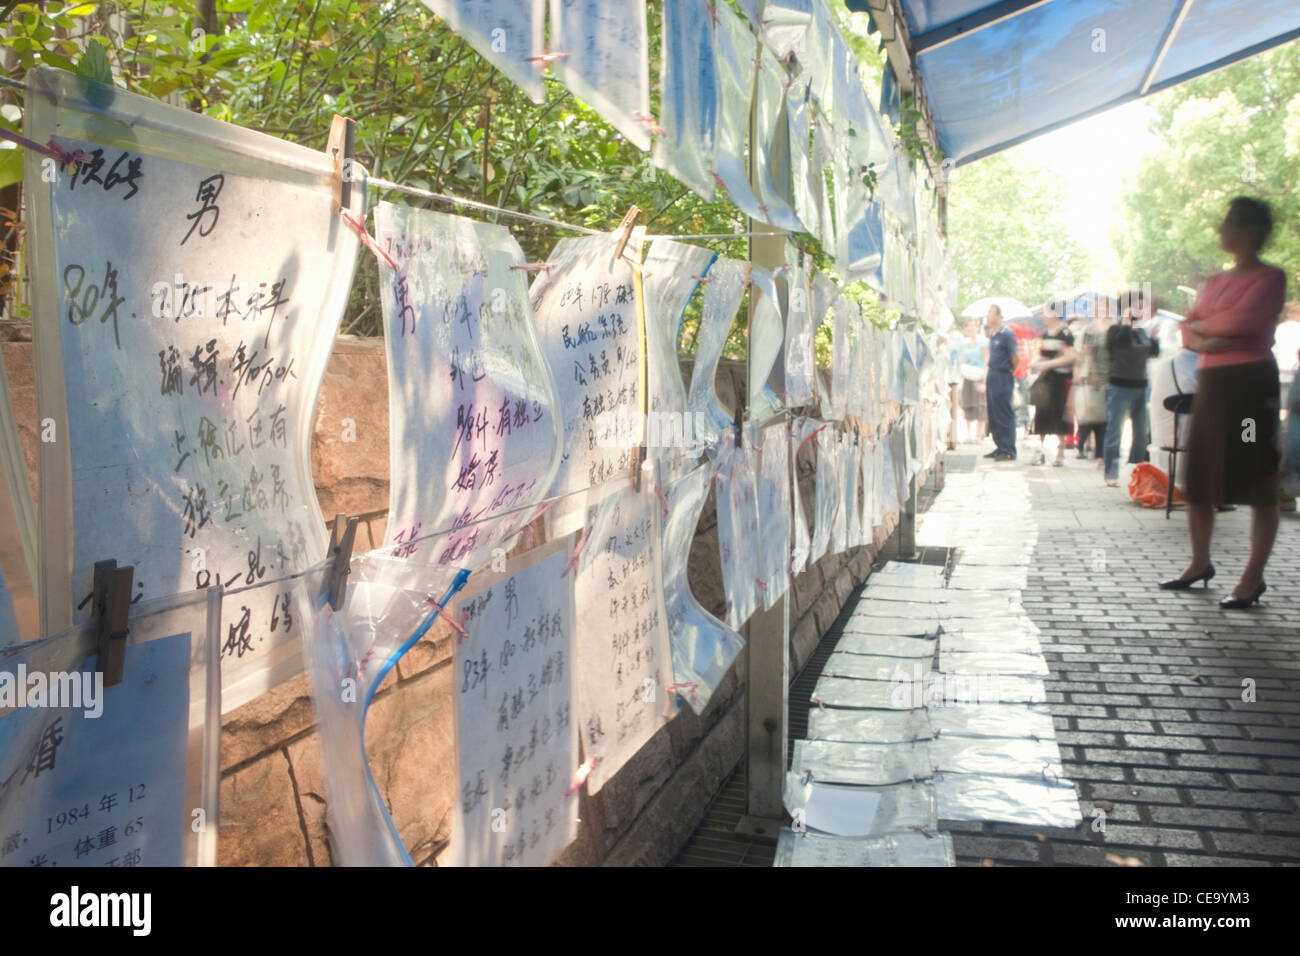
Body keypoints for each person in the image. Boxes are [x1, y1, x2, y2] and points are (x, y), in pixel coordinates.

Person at [1162, 197, 1286, 609]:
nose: (1221, 231)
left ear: (1250, 231)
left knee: (1253, 470)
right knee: (1199, 472)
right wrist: (1215, 333)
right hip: (1213, 385)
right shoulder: (1216, 281)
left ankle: (1252, 578)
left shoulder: (1271, 278)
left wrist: (1211, 330)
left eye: (1229, 224)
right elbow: (1189, 328)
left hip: (1250, 389)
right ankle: (1199, 562)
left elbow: (1242, 323)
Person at [1103, 289, 1159, 487]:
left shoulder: (1142, 331)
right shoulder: (1115, 330)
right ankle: (1111, 472)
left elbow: (1153, 353)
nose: (1142, 310)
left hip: (1141, 387)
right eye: (1139, 305)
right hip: (1119, 386)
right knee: (1114, 431)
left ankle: (1135, 471)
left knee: (1141, 434)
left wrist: (1154, 338)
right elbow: (1122, 343)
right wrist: (1126, 321)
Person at [1029, 302, 1075, 465]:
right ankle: (1040, 450)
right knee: (1041, 415)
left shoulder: (1065, 333)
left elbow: (1070, 357)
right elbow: (1041, 354)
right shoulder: (1044, 333)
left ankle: (1060, 452)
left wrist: (1048, 364)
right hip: (1045, 380)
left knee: (1059, 415)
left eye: (1046, 312)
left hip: (1060, 380)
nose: (1043, 315)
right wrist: (1035, 363)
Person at [1075, 295, 1113, 459]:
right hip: (1093, 377)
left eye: (1104, 307)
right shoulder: (1089, 329)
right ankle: (1082, 446)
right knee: (1091, 415)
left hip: (1111, 377)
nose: (1101, 310)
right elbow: (1084, 353)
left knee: (1105, 417)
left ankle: (1101, 452)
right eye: (1099, 307)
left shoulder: (1114, 328)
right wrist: (1089, 373)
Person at [983, 304, 1019, 461]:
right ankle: (999, 445)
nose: (988, 315)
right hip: (992, 374)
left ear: (998, 315)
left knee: (1004, 412)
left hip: (1003, 375)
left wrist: (1010, 370)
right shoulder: (993, 334)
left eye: (991, 312)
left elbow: (1015, 358)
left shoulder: (1007, 334)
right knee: (994, 412)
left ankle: (1009, 449)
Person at [957, 318, 988, 442]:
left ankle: (978, 435)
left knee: (980, 405)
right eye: (969, 326)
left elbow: (986, 360)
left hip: (979, 375)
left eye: (974, 326)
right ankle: (969, 435)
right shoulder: (963, 344)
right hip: (967, 375)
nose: (971, 328)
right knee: (968, 403)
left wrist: (985, 377)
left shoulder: (983, 342)